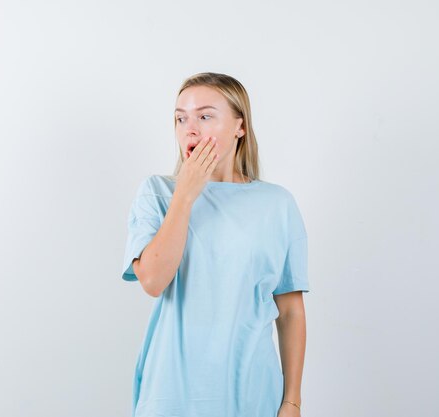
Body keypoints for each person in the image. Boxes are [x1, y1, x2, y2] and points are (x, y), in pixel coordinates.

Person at [121, 72, 309, 417]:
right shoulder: (157, 193)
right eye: (181, 118)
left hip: (253, 392)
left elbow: (291, 310)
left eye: (204, 116)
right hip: (170, 394)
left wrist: (292, 401)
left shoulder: (277, 204)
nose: (189, 128)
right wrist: (186, 193)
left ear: (240, 126)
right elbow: (152, 280)